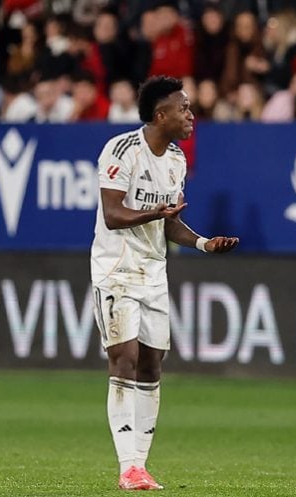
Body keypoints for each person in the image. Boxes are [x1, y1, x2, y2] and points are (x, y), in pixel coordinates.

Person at [90, 76, 238, 491]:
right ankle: (127, 467)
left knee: (152, 363)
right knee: (124, 357)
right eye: (183, 108)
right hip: (116, 269)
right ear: (160, 115)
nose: (191, 115)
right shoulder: (120, 150)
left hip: (154, 271)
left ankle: (140, 465)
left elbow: (170, 224)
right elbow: (113, 215)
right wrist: (156, 213)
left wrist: (204, 243)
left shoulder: (176, 159)